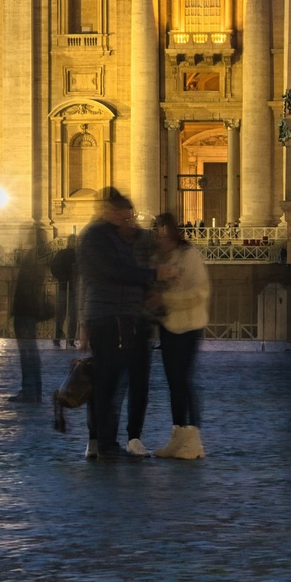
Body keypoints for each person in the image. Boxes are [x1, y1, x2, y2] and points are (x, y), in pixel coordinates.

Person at [76, 188, 160, 460]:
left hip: (125, 316)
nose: (130, 223)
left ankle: (109, 440)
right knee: (107, 382)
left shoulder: (119, 237)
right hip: (110, 316)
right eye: (125, 218)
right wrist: (152, 274)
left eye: (132, 218)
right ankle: (104, 442)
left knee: (118, 381)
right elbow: (112, 273)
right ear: (110, 212)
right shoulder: (96, 238)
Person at [152, 213, 210, 459]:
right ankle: (177, 436)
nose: (162, 238)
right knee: (173, 382)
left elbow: (200, 292)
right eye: (158, 233)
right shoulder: (158, 259)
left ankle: (194, 440)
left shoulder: (190, 256)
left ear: (174, 233)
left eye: (166, 233)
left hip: (189, 325)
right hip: (168, 326)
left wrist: (165, 298)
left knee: (184, 380)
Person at [9, 233, 55, 401]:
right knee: (31, 352)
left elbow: (25, 285)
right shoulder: (42, 258)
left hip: (25, 308)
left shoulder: (32, 258)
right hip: (29, 308)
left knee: (27, 352)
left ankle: (29, 391)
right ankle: (35, 390)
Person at [46, 236, 78, 347]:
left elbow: (53, 266)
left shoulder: (63, 254)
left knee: (67, 315)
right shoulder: (74, 254)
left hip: (67, 287)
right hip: (69, 287)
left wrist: (61, 277)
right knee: (66, 315)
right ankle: (66, 339)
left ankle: (63, 338)